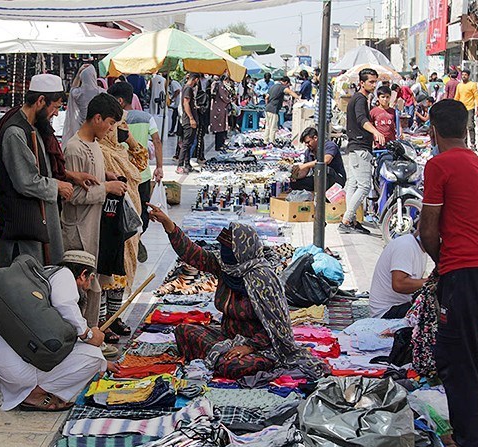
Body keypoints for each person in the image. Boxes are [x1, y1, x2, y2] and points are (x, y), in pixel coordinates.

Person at [147, 205, 327, 380]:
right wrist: (168, 224)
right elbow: (193, 254)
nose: (224, 255)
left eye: (229, 251)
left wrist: (249, 346)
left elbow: (277, 326)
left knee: (234, 366)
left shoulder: (263, 280)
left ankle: (220, 359)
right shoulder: (226, 267)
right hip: (227, 337)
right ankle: (219, 357)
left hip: (261, 345)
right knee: (183, 331)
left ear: (242, 251)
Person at [420, 99, 478, 447]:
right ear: (467, 128)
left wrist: (445, 263)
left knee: (457, 359)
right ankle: (464, 433)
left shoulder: (438, 165)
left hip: (464, 274)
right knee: (458, 354)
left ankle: (470, 445)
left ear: (434, 131)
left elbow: (428, 228)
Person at [0, 250, 109, 412]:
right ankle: (35, 395)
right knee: (94, 356)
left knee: (92, 355)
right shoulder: (65, 276)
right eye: (91, 280)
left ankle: (29, 391)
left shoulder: (47, 274)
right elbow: (64, 304)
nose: (88, 287)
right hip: (15, 366)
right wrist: (89, 335)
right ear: (83, 274)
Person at [0, 74, 75, 270]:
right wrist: (57, 185)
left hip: (38, 218)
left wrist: (71, 176)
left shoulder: (32, 127)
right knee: (25, 284)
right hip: (24, 225)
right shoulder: (15, 132)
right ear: (40, 101)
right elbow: (26, 181)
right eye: (54, 108)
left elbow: (40, 166)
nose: (55, 114)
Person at [62, 93, 128, 328]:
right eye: (110, 123)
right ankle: (84, 339)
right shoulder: (74, 148)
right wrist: (106, 186)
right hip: (79, 231)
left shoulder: (94, 145)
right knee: (81, 291)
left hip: (94, 228)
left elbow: (90, 181)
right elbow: (74, 195)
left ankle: (92, 336)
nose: (111, 130)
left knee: (93, 288)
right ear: (97, 118)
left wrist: (105, 177)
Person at [98, 117, 147, 341]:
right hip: (108, 217)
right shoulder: (99, 150)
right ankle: (101, 321)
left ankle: (114, 316)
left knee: (123, 269)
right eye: (114, 126)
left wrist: (129, 139)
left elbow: (142, 163)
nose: (114, 130)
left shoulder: (120, 150)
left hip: (129, 216)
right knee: (106, 269)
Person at [108, 81, 164, 263]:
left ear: (120, 100)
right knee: (142, 214)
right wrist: (160, 167)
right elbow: (157, 140)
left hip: (121, 175)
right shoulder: (147, 117)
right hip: (143, 174)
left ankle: (132, 241)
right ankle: (136, 238)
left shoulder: (114, 120)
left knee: (126, 213)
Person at [342, 67, 386, 235]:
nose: (374, 85)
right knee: (364, 187)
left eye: (376, 82)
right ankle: (347, 219)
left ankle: (351, 220)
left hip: (355, 147)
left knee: (352, 184)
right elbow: (362, 120)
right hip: (360, 148)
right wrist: (376, 132)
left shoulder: (361, 98)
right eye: (371, 82)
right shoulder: (360, 99)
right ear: (362, 83)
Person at [368, 230, 428, 319]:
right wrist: (431, 282)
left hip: (400, 305)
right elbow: (399, 284)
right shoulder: (406, 246)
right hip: (386, 312)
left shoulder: (421, 250)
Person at [61, 64, 105, 149]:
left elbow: (72, 89)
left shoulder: (78, 93)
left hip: (81, 125)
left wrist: (78, 75)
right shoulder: (101, 92)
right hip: (98, 124)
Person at [290, 126, 346, 191]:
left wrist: (303, 166)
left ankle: (324, 197)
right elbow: (305, 171)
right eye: (305, 143)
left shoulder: (329, 145)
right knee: (295, 184)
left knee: (324, 169)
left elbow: (326, 160)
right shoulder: (308, 152)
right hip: (319, 179)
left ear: (315, 138)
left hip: (336, 179)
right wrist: (294, 175)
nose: (307, 145)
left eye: (308, 142)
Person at [176, 73, 199, 174]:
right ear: (196, 80)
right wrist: (191, 118)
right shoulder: (188, 89)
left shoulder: (185, 87)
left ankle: (187, 164)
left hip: (187, 119)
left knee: (189, 143)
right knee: (186, 144)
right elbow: (186, 103)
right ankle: (180, 165)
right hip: (188, 120)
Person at [454, 69, 478, 150]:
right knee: (463, 127)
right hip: (461, 109)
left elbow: (476, 96)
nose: (464, 76)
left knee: (470, 126)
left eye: (465, 75)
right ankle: (464, 144)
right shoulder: (459, 85)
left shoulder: (472, 85)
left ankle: (473, 143)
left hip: (470, 108)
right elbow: (457, 97)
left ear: (468, 76)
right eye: (463, 75)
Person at [211, 74, 233, 152]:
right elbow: (223, 96)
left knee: (223, 127)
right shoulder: (219, 85)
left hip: (223, 108)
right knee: (219, 127)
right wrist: (230, 100)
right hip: (218, 109)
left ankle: (221, 143)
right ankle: (218, 145)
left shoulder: (223, 85)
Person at [263, 75, 286, 146]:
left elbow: (266, 97)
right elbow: (290, 92)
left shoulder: (273, 86)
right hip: (273, 109)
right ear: (286, 82)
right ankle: (272, 141)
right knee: (273, 126)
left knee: (268, 126)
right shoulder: (282, 87)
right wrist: (298, 98)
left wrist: (267, 105)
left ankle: (265, 140)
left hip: (268, 108)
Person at [194, 75, 211, 164]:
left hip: (201, 118)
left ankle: (200, 155)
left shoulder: (204, 94)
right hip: (193, 118)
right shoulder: (189, 91)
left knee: (200, 136)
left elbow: (206, 107)